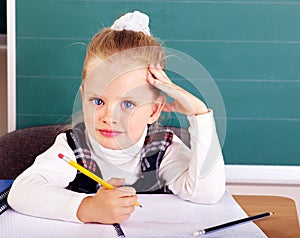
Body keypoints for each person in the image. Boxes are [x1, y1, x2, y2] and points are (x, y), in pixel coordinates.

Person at [8, 11, 225, 224]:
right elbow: (21, 192)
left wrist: (200, 115)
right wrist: (87, 208)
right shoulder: (73, 147)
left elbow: (207, 194)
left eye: (128, 104)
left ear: (153, 110)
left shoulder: (162, 148)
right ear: (83, 98)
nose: (109, 117)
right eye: (98, 101)